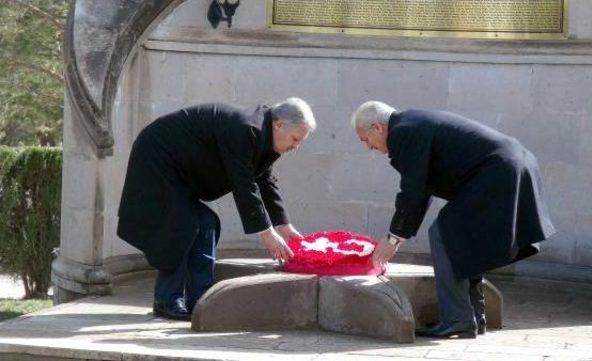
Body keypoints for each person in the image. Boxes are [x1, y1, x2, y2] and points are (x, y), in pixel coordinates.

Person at [350, 101, 555, 339]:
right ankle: (473, 316)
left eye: (365, 139)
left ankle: (457, 319)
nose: (368, 147)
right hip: (513, 164)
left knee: (444, 234)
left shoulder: (402, 132)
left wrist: (393, 237)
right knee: (460, 236)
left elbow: (413, 191)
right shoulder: (412, 123)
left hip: (498, 171)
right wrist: (400, 234)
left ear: (377, 127)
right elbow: (422, 189)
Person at [117, 98, 316, 321]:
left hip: (181, 172)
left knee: (206, 223)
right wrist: (267, 234)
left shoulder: (263, 134)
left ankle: (201, 302)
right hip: (158, 158)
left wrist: (284, 226)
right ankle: (167, 300)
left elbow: (265, 181)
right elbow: (244, 185)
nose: (295, 147)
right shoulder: (246, 129)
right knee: (181, 225)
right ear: (279, 125)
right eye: (295, 139)